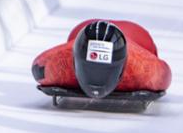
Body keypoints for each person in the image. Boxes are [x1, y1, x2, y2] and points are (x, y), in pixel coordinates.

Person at [32, 19, 171, 99]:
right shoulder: (59, 65)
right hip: (80, 31)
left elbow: (164, 73)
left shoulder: (143, 69)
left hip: (136, 35)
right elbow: (39, 66)